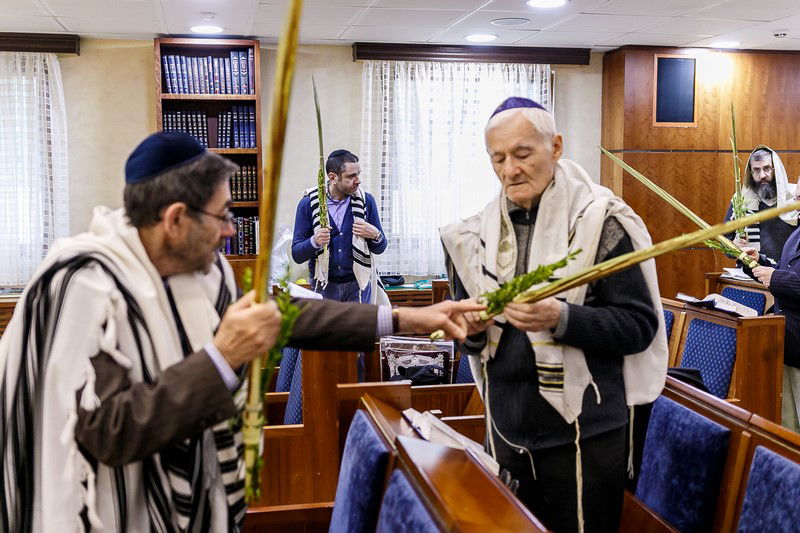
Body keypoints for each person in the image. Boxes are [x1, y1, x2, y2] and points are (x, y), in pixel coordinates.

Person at [0, 132, 481, 532]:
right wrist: (220, 358)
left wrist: (402, 320)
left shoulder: (200, 270)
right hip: (112, 514)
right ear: (174, 219)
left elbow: (283, 317)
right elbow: (110, 432)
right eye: (224, 215)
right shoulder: (79, 285)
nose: (232, 230)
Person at [440, 98, 668, 533]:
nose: (510, 170)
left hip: (585, 436)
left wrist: (560, 318)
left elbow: (639, 328)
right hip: (505, 429)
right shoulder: (472, 239)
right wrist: (470, 331)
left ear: (556, 146)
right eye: (499, 158)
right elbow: (469, 340)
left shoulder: (603, 223)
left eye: (523, 154)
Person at [292, 149, 386, 303]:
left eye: (358, 174)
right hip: (324, 287)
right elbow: (297, 254)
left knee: (359, 328)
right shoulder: (309, 203)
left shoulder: (367, 202)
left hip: (359, 286)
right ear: (332, 178)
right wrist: (315, 241)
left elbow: (380, 248)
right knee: (328, 328)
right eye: (351, 176)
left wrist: (376, 235)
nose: (358, 180)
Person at [744, 240, 800, 433]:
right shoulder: (796, 233)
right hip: (787, 346)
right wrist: (758, 263)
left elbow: (783, 279)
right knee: (788, 432)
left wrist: (776, 278)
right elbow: (789, 272)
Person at [724, 146, 798, 263]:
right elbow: (725, 242)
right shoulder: (741, 200)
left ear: (776, 170)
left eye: (767, 168)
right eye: (757, 170)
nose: (762, 175)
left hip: (785, 275)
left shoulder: (795, 197)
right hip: (751, 273)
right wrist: (733, 247)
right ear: (751, 173)